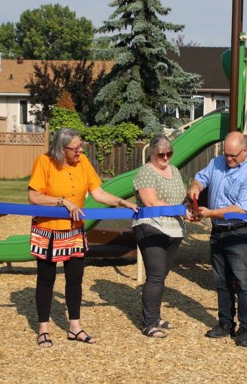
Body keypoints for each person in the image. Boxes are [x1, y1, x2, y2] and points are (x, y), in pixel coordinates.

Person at [27, 127, 138, 348]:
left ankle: (75, 327)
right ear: (62, 148)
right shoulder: (44, 162)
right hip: (48, 230)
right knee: (46, 279)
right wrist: (61, 201)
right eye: (76, 147)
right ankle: (43, 329)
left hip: (74, 230)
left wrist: (121, 202)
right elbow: (33, 196)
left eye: (81, 146)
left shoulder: (83, 162)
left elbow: (98, 193)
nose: (80, 150)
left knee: (75, 279)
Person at [187, 131, 247, 347]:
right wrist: (195, 188)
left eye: (233, 155)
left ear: (245, 152)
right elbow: (201, 179)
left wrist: (209, 213)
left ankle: (246, 329)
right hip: (218, 231)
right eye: (226, 154)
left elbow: (241, 209)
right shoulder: (217, 162)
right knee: (221, 280)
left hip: (240, 232)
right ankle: (225, 324)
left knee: (243, 282)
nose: (228, 159)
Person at [132, 135, 190, 338]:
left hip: (174, 228)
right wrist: (179, 209)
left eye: (169, 153)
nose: (166, 157)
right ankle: (149, 324)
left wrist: (187, 209)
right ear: (152, 153)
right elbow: (150, 201)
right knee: (156, 276)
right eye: (161, 154)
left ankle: (154, 317)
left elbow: (181, 196)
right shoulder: (145, 172)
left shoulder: (173, 170)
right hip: (151, 227)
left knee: (161, 275)